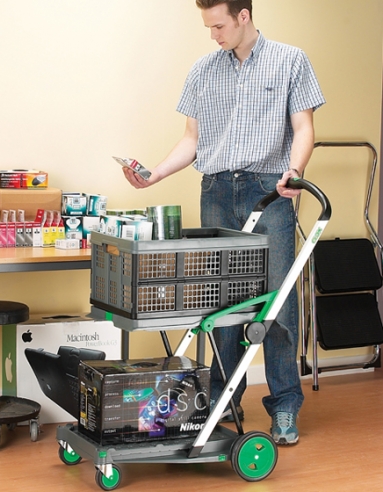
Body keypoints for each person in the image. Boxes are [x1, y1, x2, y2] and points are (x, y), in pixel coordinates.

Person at [122, 0, 325, 445]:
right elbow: (192, 139)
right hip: (215, 191)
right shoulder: (202, 70)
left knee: (277, 306)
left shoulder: (290, 60)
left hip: (269, 191)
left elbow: (304, 126)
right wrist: (152, 174)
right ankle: (220, 399)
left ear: (243, 16)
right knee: (221, 305)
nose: (213, 35)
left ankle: (285, 404)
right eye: (208, 26)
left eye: (219, 25)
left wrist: (295, 169)